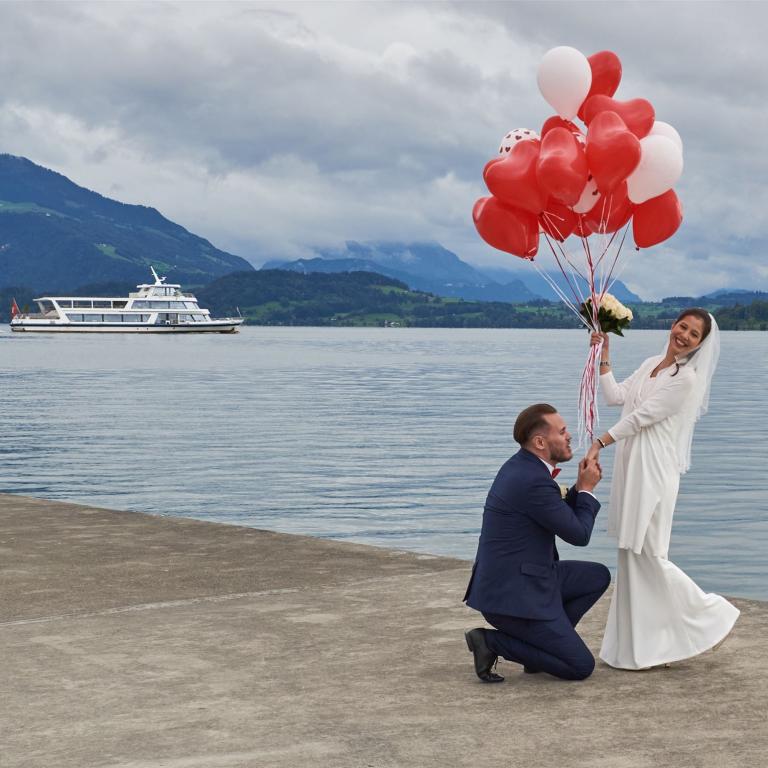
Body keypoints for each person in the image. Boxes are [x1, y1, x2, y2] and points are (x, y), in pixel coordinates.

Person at [587, 308, 739, 670]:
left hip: (654, 466)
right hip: (631, 462)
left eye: (693, 334)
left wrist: (599, 443)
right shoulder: (653, 362)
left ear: (700, 344)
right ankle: (638, 648)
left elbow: (643, 418)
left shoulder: (687, 380)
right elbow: (616, 397)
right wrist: (603, 354)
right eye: (682, 326)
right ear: (673, 326)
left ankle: (711, 615)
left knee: (650, 552)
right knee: (630, 553)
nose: (684, 335)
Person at [463, 404, 610, 682]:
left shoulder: (523, 467)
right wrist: (587, 491)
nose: (569, 437)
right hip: (512, 597)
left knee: (596, 576)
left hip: (527, 577)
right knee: (579, 666)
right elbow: (579, 535)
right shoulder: (531, 480)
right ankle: (490, 642)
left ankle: (539, 651)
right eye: (563, 431)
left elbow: (552, 511)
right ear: (540, 442)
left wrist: (578, 487)